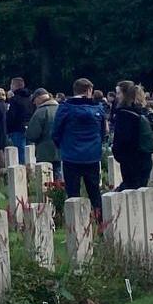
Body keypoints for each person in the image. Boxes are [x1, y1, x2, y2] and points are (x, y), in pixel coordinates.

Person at [52, 78, 108, 219]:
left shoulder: (65, 108)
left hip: (71, 156)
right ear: (89, 90)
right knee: (94, 192)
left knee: (73, 194)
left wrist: (64, 147)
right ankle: (100, 223)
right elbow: (103, 132)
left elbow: (55, 132)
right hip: (92, 157)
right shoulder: (98, 109)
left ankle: (76, 225)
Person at [110, 81, 153, 190]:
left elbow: (123, 139)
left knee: (130, 190)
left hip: (130, 160)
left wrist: (118, 153)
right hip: (145, 158)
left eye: (118, 93)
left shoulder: (124, 114)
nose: (117, 96)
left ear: (125, 95)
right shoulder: (143, 111)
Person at [25, 90, 58, 165]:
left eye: (34, 100)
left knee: (45, 174)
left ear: (38, 98)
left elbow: (32, 135)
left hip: (44, 152)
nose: (34, 103)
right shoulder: (60, 109)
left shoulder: (40, 111)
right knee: (59, 174)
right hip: (61, 151)